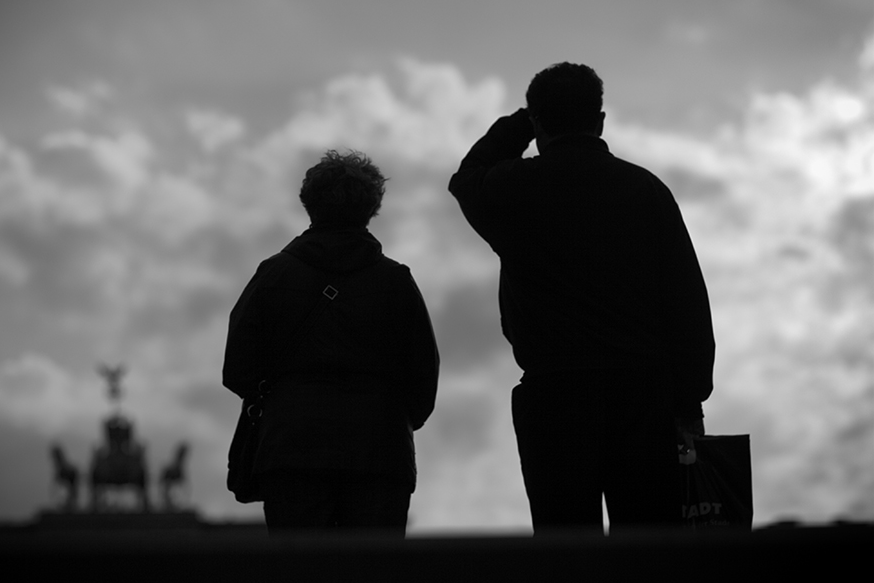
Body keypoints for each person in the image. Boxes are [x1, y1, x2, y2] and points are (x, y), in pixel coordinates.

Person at [448, 63, 714, 534]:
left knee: (566, 556)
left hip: (555, 395)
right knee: (651, 549)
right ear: (601, 120)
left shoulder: (513, 188)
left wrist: (516, 127)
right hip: (644, 395)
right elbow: (686, 300)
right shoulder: (644, 190)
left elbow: (468, 177)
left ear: (537, 122)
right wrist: (690, 399)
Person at [223, 150, 439, 536]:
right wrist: (397, 420)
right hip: (379, 452)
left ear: (309, 204)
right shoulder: (396, 282)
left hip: (291, 450)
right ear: (372, 208)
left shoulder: (273, 275)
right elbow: (423, 376)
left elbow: (237, 369)